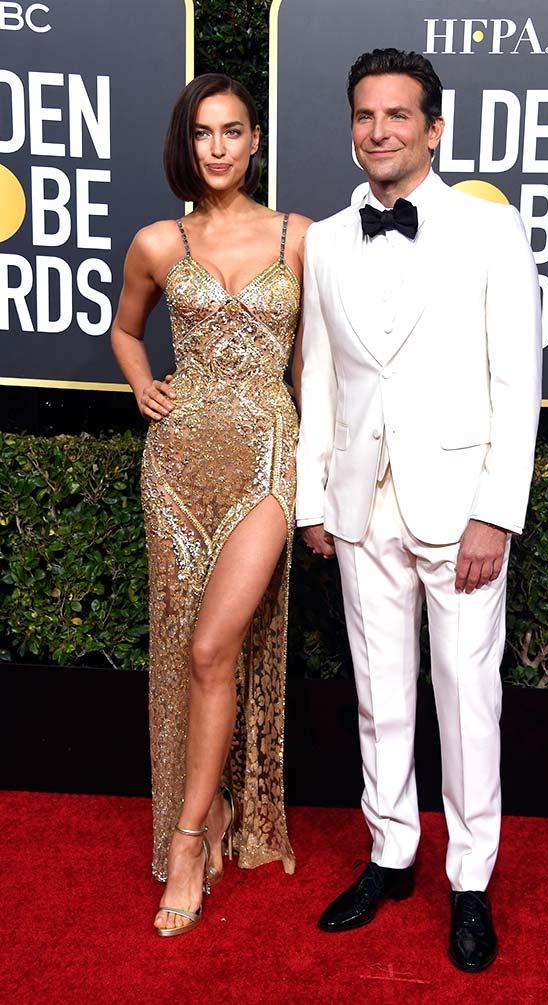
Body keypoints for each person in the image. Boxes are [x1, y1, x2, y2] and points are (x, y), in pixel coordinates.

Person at [295, 48, 541, 972]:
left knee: (469, 700)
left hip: (460, 509)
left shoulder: (490, 232)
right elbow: (319, 376)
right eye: (366, 115)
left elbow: (517, 382)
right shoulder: (323, 238)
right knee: (378, 696)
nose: (380, 131)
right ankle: (390, 853)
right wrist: (318, 494)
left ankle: (469, 880)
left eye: (399, 115)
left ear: (434, 130)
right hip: (363, 508)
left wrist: (496, 513)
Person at [111, 72, 310, 936]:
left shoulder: (302, 237)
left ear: (255, 140)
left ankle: (187, 838)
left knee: (211, 643)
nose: (219, 147)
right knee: (194, 655)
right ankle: (209, 813)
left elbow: (315, 365)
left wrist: (323, 470)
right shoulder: (158, 242)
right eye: (203, 133)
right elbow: (125, 328)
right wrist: (143, 383)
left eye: (233, 131)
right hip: (178, 464)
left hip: (268, 456)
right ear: (186, 144)